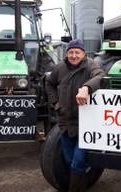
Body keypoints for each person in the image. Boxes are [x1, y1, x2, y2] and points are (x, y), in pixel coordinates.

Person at [46, 39, 105, 192]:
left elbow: (100, 76)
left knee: (78, 161)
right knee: (70, 160)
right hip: (65, 122)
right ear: (67, 53)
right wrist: (55, 103)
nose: (74, 55)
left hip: (84, 124)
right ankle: (82, 185)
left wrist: (86, 88)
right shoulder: (59, 68)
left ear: (83, 54)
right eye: (71, 52)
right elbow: (50, 83)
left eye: (77, 52)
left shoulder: (90, 65)